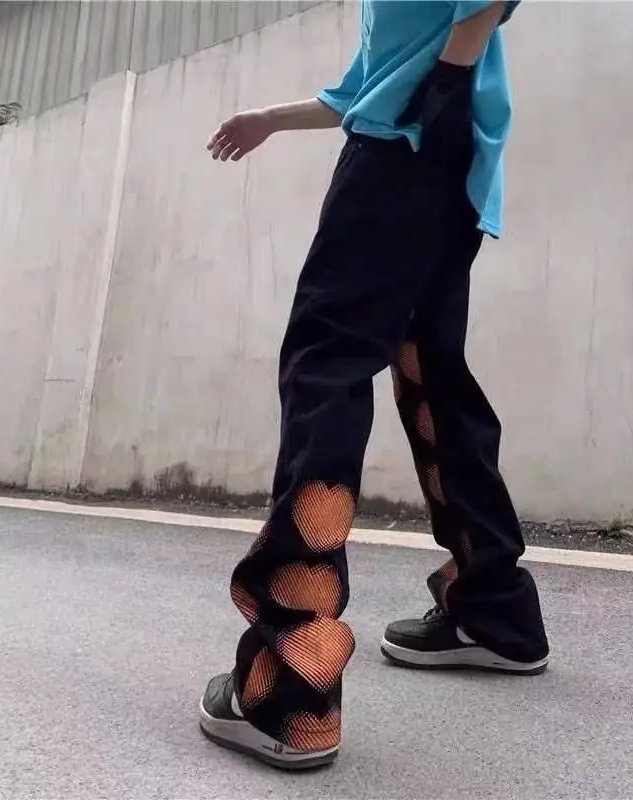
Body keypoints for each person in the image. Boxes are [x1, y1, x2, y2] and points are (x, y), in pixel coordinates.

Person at [199, 0, 549, 770]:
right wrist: (269, 119)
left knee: (325, 365)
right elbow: (361, 88)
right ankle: (494, 611)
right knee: (432, 375)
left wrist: (447, 83)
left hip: (401, 158)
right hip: (449, 174)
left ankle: (291, 688)